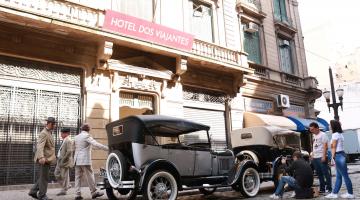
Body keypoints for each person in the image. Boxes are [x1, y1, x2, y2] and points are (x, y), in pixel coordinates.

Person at [74, 123, 109, 200]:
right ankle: (94, 192)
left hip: (77, 159)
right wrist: (107, 148)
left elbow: (78, 148)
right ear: (88, 129)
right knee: (90, 176)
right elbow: (96, 144)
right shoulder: (87, 136)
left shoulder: (76, 137)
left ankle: (77, 194)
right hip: (84, 160)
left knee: (77, 177)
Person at [29, 117, 57, 200]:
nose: (54, 126)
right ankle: (42, 195)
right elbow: (40, 146)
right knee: (44, 178)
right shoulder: (44, 133)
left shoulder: (49, 133)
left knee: (43, 177)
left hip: (48, 159)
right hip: (44, 159)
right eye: (54, 124)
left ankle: (33, 191)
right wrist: (41, 157)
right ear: (50, 124)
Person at [325, 120, 354, 199]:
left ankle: (350, 193)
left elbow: (333, 147)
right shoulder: (339, 134)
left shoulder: (335, 135)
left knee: (345, 176)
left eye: (330, 125)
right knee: (339, 176)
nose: (329, 126)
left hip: (338, 155)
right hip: (340, 155)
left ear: (333, 126)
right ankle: (334, 193)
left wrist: (332, 158)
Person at [309, 122, 332, 193]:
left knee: (325, 173)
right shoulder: (314, 135)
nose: (311, 131)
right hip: (315, 157)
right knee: (319, 174)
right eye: (310, 130)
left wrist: (324, 156)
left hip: (321, 156)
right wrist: (312, 154)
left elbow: (325, 146)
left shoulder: (323, 135)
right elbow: (314, 145)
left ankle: (329, 188)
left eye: (312, 129)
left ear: (317, 128)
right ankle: (322, 188)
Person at [54, 127, 73, 196]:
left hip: (64, 161)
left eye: (62, 133)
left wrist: (63, 159)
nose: (61, 135)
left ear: (67, 133)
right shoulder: (65, 140)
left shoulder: (68, 140)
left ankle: (64, 190)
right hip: (60, 160)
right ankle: (66, 185)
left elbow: (69, 151)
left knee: (63, 175)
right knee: (57, 174)